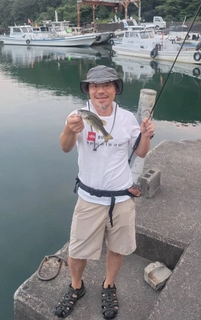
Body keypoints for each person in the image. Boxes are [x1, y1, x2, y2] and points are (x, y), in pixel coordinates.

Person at [55, 65, 155, 319]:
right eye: (95, 86)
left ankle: (109, 284)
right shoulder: (78, 115)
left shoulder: (126, 118)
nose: (100, 91)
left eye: (106, 85)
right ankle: (77, 287)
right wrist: (69, 129)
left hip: (121, 198)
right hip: (89, 198)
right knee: (76, 251)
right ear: (88, 90)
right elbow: (65, 147)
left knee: (117, 248)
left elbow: (141, 152)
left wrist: (146, 135)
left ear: (115, 90)